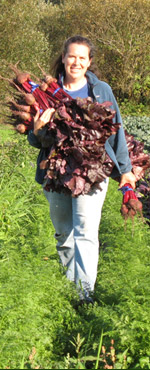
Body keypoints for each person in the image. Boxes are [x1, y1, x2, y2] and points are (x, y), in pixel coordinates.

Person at [28, 35, 136, 305]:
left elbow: (116, 131)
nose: (76, 62)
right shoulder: (46, 92)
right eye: (71, 56)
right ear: (63, 58)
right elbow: (34, 141)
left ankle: (83, 297)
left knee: (86, 233)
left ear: (89, 62)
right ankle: (70, 287)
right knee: (64, 233)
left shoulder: (101, 91)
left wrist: (125, 170)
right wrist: (39, 128)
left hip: (93, 170)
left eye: (82, 57)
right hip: (56, 170)